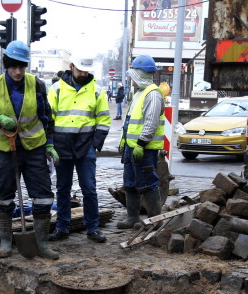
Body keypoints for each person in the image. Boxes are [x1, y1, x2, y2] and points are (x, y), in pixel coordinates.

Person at [0, 40, 58, 260]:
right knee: (4, 194)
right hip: (6, 148)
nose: (17, 71)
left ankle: (42, 242)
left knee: (42, 196)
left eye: (21, 66)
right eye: (13, 66)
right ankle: (5, 240)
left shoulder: (37, 85)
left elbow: (46, 118)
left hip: (34, 148)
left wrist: (50, 144)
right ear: (6, 65)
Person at [48, 54, 110, 244]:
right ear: (71, 66)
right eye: (80, 69)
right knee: (63, 189)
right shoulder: (57, 89)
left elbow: (104, 120)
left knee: (89, 189)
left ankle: (93, 228)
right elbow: (48, 118)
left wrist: (94, 144)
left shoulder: (97, 91)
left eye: (86, 70)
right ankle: (62, 227)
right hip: (61, 146)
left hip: (85, 147)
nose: (83, 73)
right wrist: (50, 143)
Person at [116, 55, 165, 229]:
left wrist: (141, 144)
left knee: (148, 184)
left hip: (144, 150)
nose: (131, 79)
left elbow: (150, 123)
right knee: (130, 184)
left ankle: (154, 221)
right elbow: (130, 121)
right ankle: (132, 218)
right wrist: (124, 142)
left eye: (132, 76)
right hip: (132, 148)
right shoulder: (139, 94)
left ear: (139, 75)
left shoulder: (152, 94)